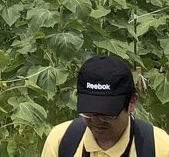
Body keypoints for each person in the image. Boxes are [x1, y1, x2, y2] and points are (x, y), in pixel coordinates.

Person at [41, 55, 169, 156]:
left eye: (106, 113)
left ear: (132, 102)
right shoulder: (61, 140)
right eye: (89, 112)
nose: (96, 120)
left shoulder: (158, 147)